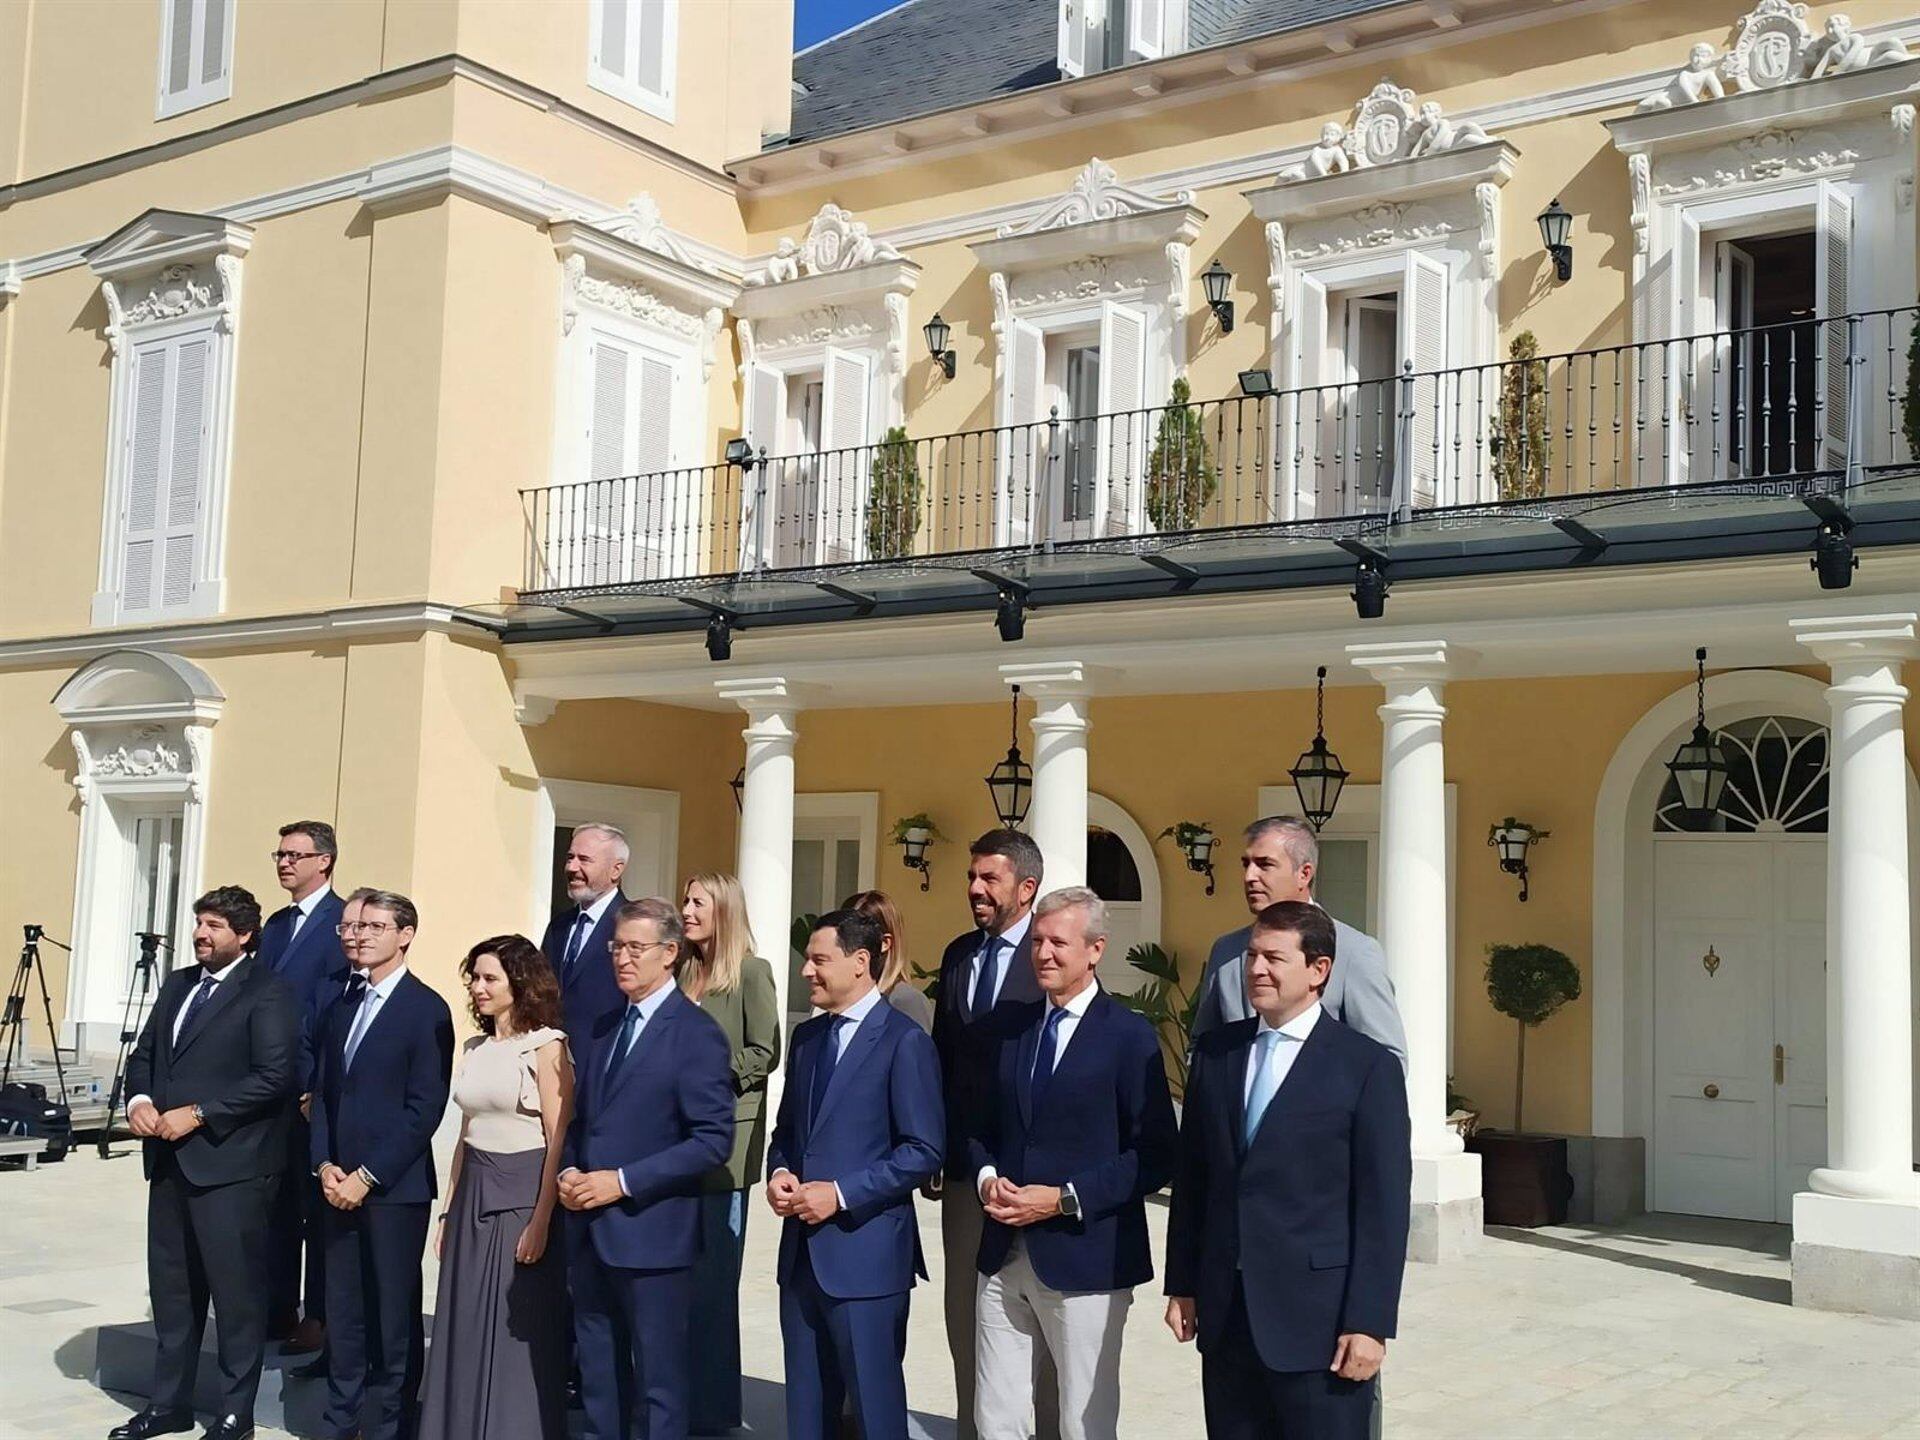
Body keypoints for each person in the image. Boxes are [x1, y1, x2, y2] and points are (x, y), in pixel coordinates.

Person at [1165, 901, 1411, 1440]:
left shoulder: (1367, 1067)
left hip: (1319, 1326)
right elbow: (1194, 1180)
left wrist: (1369, 1323)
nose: (1256, 969)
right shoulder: (1216, 1054)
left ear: (1319, 970)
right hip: (1228, 1319)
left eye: (1274, 958)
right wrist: (1183, 1283)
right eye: (1252, 955)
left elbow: (1383, 1208)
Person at [969, 888, 1177, 1440]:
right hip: (1001, 1251)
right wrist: (988, 1178)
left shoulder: (1130, 1037)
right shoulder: (1007, 1030)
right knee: (995, 1416)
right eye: (1036, 941)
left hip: (1088, 1259)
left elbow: (1156, 1155)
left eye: (1058, 942)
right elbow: (978, 1127)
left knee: (1083, 1420)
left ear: (1095, 949)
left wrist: (1063, 1197)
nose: (1043, 953)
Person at [113, 886, 300, 1440]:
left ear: (244, 935)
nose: (201, 934)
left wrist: (199, 1113)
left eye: (215, 925)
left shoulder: (268, 991)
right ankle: (167, 1404)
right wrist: (140, 1102)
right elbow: (146, 1054)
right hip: (169, 1164)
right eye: (199, 923)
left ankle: (234, 1410)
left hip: (231, 1167)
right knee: (172, 1291)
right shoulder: (177, 986)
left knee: (235, 1294)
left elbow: (274, 1077)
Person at [768, 908, 944, 1440]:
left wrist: (841, 1194)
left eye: (819, 960)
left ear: (861, 962)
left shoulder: (903, 1041)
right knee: (806, 1411)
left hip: (866, 1260)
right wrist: (780, 1171)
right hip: (801, 1257)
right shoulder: (807, 1040)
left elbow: (924, 1149)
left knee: (874, 1412)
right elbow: (787, 1131)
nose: (806, 971)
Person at [561, 898, 734, 1440]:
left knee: (658, 1383)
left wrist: (621, 1181)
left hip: (653, 1234)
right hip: (589, 1230)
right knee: (598, 1376)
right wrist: (570, 1171)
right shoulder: (604, 1026)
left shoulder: (696, 1033)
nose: (622, 959)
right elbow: (582, 1118)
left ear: (670, 953)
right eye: (617, 947)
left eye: (636, 948)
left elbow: (711, 1142)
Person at [309, 890, 455, 1440]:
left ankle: (392, 1423)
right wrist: (324, 1165)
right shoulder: (341, 1003)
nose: (360, 935)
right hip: (334, 1185)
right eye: (355, 926)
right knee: (342, 1312)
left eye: (375, 926)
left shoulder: (426, 1009)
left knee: (393, 1314)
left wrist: (367, 1176)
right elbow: (322, 1094)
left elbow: (424, 1109)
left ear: (406, 934)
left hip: (392, 1189)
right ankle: (339, 1419)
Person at [416, 935, 573, 1440]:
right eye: (475, 978)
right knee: (462, 1320)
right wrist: (448, 1211)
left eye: (490, 979)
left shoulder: (548, 1046)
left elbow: (558, 1139)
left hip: (522, 1197)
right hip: (472, 1199)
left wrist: (542, 1219)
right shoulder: (475, 1047)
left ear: (520, 984)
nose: (478, 988)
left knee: (513, 1324)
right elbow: (466, 1134)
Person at [931, 829, 1056, 1440]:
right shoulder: (958, 956)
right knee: (966, 1312)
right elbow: (943, 1058)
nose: (976, 889)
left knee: (1042, 1319)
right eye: (972, 877)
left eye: (990, 879)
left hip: (1035, 1176)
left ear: (1026, 888)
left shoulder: (1051, 957)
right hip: (965, 1172)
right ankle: (972, 1428)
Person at [678, 872, 781, 1436]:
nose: (686, 909)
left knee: (715, 1284)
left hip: (725, 1150)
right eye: (686, 900)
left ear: (724, 910)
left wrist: (706, 1074)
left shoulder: (750, 973)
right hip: (672, 1145)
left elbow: (765, 1050)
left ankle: (715, 1412)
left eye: (697, 901)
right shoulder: (682, 971)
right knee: (678, 1281)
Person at [1190, 817, 1406, 1067]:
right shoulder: (1227, 950)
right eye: (1246, 864)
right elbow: (1202, 1044)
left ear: (1304, 874)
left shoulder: (1353, 952)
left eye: (1264, 865)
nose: (1250, 876)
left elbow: (1387, 1060)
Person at [256, 820, 349, 1354]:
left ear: (325, 861)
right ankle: (276, 1306)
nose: (285, 863)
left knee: (315, 1202)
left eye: (295, 854)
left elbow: (332, 1010)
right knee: (275, 1203)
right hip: (268, 1085)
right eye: (280, 853)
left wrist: (317, 1086)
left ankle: (318, 1313)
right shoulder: (274, 925)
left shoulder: (342, 923)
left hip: (310, 1087)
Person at [541, 823, 631, 1042]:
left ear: (616, 870)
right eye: (570, 857)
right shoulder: (559, 926)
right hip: (551, 1063)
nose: (572, 867)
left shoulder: (633, 926)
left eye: (584, 859)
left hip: (605, 1064)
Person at [845, 888, 934, 1033]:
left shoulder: (907, 1001)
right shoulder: (836, 999)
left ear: (885, 943)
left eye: (855, 937)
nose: (844, 946)